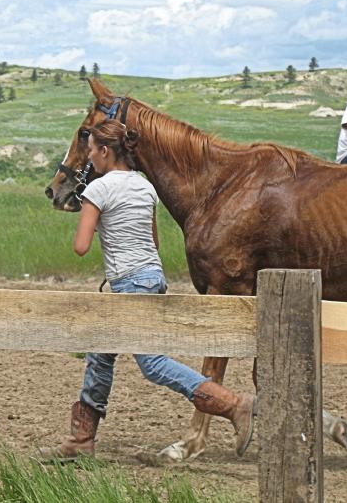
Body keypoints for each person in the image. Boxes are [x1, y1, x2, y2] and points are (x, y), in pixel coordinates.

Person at [40, 119, 257, 461]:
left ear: (105, 151)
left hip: (128, 281)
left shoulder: (97, 190)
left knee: (153, 363)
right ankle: (81, 439)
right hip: (152, 277)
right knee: (100, 352)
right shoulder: (145, 187)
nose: (91, 158)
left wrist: (93, 217)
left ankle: (233, 405)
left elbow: (80, 246)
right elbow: (153, 241)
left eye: (93, 150)